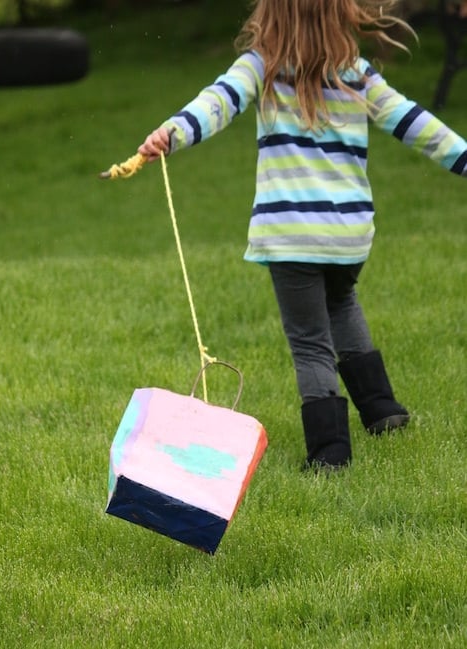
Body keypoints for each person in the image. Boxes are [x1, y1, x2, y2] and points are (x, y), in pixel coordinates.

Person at [137, 0, 467, 470]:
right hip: (348, 234)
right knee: (341, 303)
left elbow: (217, 102)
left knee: (311, 340)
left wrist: (171, 133)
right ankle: (382, 409)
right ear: (340, 13)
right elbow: (414, 122)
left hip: (290, 234)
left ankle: (330, 451)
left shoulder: (261, 67)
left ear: (271, 14)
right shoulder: (357, 73)